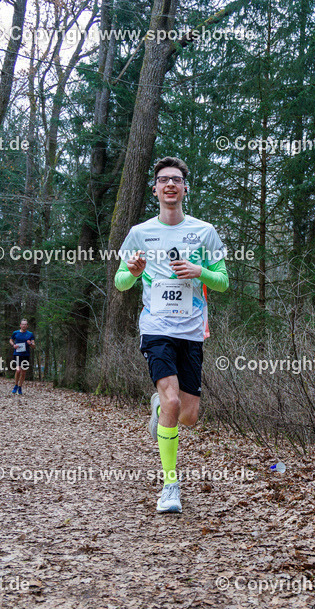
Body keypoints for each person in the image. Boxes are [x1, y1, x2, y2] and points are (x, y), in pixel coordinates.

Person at [113, 157, 229, 513]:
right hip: (156, 328)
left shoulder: (205, 232)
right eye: (163, 180)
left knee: (189, 416)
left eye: (176, 180)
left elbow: (223, 281)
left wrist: (200, 271)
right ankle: (170, 487)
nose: (170, 185)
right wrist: (132, 272)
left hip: (192, 331)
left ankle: (158, 407)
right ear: (155, 189)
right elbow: (120, 283)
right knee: (174, 403)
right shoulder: (139, 233)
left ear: (184, 188)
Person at [9, 319, 35, 395]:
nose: (24, 326)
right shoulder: (15, 333)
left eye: (25, 324)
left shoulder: (30, 334)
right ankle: (16, 385)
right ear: (20, 325)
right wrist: (13, 345)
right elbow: (10, 340)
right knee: (18, 370)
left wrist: (30, 343)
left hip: (26, 355)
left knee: (23, 373)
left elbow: (34, 346)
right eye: (22, 324)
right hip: (17, 354)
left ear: (27, 326)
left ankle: (20, 387)